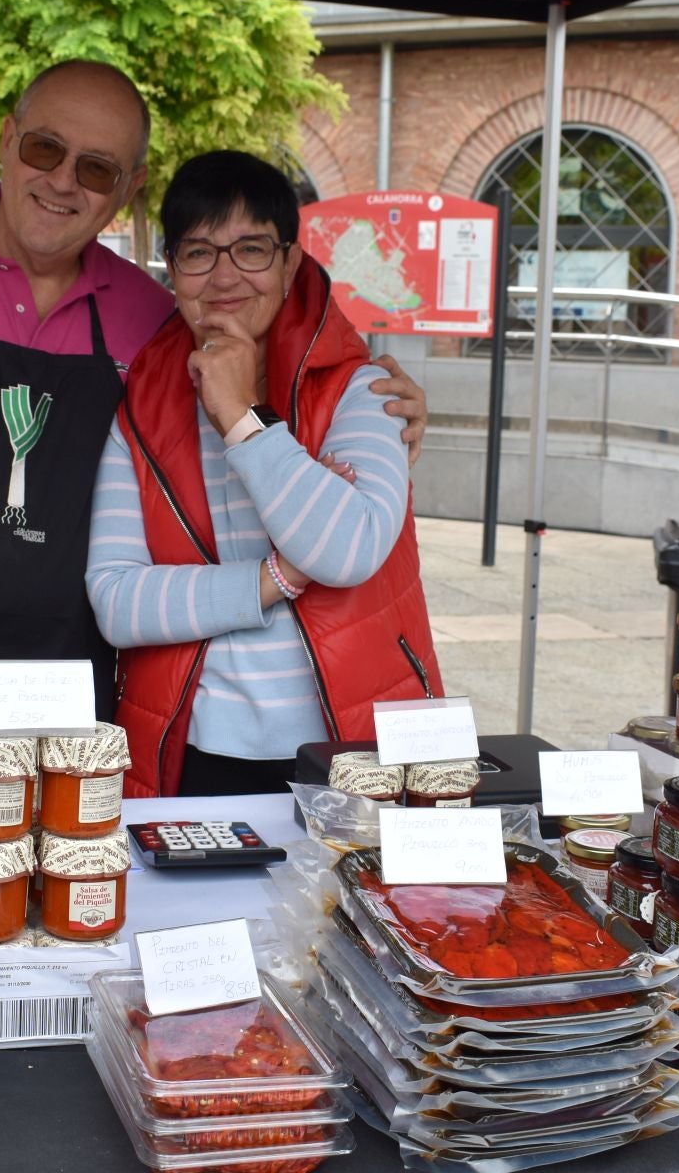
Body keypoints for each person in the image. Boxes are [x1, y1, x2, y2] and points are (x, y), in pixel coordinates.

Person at [0, 59, 427, 794]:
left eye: (96, 168)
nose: (62, 182)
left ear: (128, 189)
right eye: (45, 150)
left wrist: (378, 399)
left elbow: (266, 365)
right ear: (6, 139)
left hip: (66, 719)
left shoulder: (151, 318)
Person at [86, 152, 443, 796]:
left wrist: (239, 417)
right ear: (173, 271)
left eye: (251, 249)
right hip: (194, 745)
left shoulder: (364, 391)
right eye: (198, 253)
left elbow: (347, 549)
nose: (224, 276)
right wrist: (276, 577)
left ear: (289, 265)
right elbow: (116, 600)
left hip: (351, 744)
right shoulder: (139, 414)